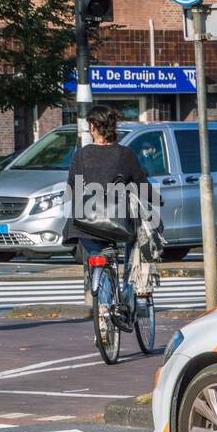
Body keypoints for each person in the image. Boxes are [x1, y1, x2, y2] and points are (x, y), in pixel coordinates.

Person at [66, 105, 159, 335]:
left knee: (99, 256)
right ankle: (129, 291)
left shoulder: (81, 155)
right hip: (116, 224)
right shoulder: (124, 154)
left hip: (86, 225)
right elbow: (140, 184)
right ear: (113, 127)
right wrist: (156, 201)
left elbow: (72, 188)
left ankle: (104, 313)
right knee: (134, 243)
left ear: (92, 127)